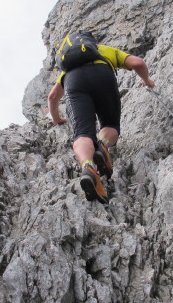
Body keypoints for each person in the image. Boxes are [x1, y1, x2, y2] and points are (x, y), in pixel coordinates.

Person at [47, 34, 155, 204]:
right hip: (103, 74)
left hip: (74, 81)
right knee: (110, 124)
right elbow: (138, 63)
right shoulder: (102, 51)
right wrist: (147, 80)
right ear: (90, 42)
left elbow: (53, 97)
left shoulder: (67, 68)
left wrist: (57, 118)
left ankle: (88, 167)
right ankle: (103, 145)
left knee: (82, 133)